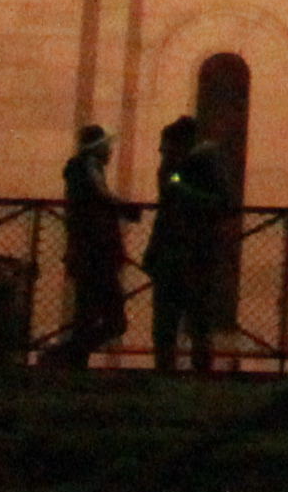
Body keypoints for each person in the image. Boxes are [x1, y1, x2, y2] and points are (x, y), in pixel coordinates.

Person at [148, 112, 233, 376]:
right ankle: (182, 366)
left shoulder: (197, 166)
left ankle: (185, 366)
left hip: (190, 251)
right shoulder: (182, 168)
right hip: (184, 251)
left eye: (167, 146)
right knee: (180, 316)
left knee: (186, 315)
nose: (162, 151)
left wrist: (179, 186)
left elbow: (219, 203)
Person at [50, 123, 133, 372]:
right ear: (97, 149)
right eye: (106, 146)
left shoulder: (83, 170)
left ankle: (69, 359)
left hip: (91, 254)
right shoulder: (87, 170)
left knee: (87, 315)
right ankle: (66, 356)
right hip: (96, 254)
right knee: (111, 319)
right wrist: (124, 208)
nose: (110, 151)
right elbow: (101, 199)